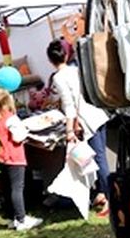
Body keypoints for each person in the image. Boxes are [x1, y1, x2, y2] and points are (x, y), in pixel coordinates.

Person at [46, 38, 110, 215]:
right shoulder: (76, 70)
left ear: (50, 60)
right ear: (66, 55)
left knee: (97, 160)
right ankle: (103, 193)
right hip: (98, 114)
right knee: (97, 158)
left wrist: (69, 130)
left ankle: (110, 199)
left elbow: (69, 106)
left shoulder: (58, 77)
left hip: (88, 121)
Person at [0, 88, 40, 231]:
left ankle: (11, 218)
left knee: (7, 188)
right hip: (14, 158)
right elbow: (18, 137)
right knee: (17, 188)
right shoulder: (11, 118)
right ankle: (21, 218)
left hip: (1, 158)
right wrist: (25, 130)